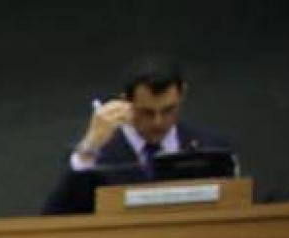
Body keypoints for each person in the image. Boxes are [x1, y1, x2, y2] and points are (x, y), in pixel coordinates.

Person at [42, 56, 233, 214]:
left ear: (182, 94)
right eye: (147, 112)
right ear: (126, 101)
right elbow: (55, 217)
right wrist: (90, 147)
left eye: (168, 110)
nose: (158, 122)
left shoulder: (210, 148)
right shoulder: (100, 156)